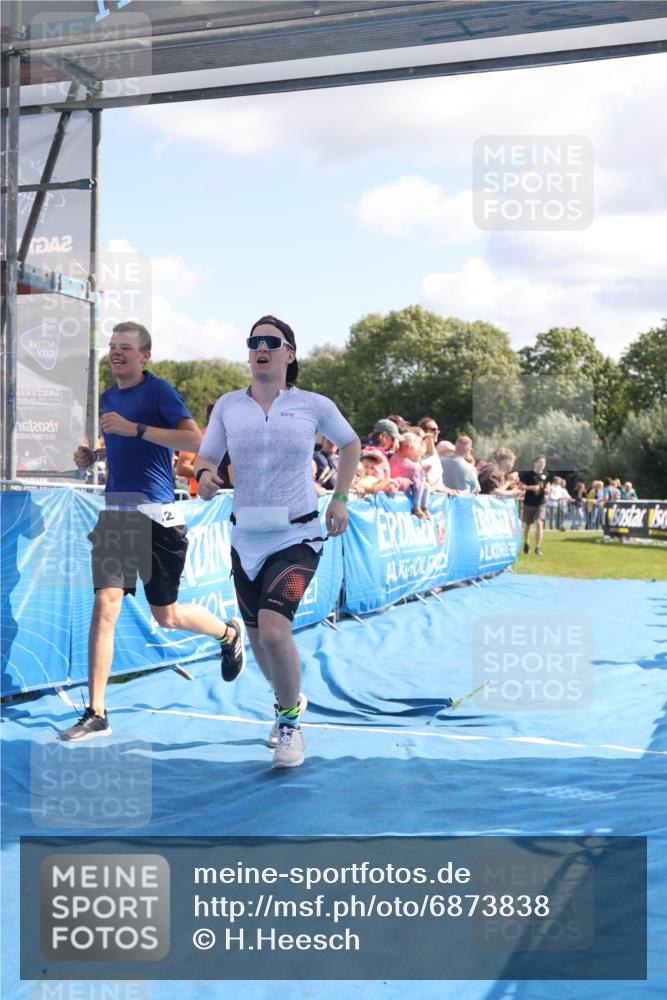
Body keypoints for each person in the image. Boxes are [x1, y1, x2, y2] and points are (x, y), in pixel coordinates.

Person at [60, 322, 245, 741]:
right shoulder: (108, 397)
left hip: (160, 516)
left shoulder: (159, 390)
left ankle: (227, 633)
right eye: (112, 346)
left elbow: (194, 440)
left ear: (144, 355)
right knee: (105, 604)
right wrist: (94, 455)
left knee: (167, 615)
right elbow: (125, 447)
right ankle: (97, 712)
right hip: (118, 513)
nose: (116, 352)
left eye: (126, 347)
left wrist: (135, 428)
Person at [195, 315, 360, 769]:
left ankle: (289, 725)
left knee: (273, 629)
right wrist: (205, 475)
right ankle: (289, 699)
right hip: (246, 536)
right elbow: (205, 456)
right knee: (258, 640)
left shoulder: (312, 404)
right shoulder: (228, 406)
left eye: (272, 341)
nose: (262, 348)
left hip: (298, 533)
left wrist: (340, 498)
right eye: (255, 341)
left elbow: (350, 444)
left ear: (290, 354)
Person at [389, 432, 431, 518]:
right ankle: (417, 507)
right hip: (402, 487)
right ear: (410, 448)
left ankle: (422, 507)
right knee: (424, 486)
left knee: (423, 485)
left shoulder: (392, 458)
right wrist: (423, 473)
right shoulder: (412, 466)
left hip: (394, 485)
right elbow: (417, 482)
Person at [519, 455, 550, 555]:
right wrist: (531, 487)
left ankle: (538, 547)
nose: (542, 465)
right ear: (535, 463)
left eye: (544, 463)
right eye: (540, 462)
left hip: (540, 503)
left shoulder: (546, 475)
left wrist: (546, 490)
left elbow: (548, 488)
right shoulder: (528, 475)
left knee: (539, 522)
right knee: (528, 525)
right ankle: (526, 542)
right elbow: (520, 486)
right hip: (529, 502)